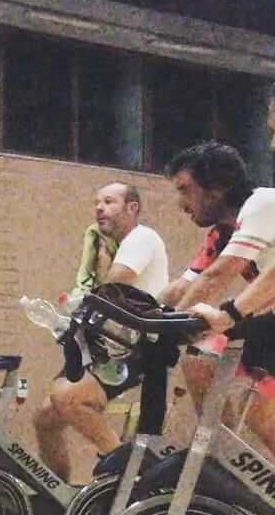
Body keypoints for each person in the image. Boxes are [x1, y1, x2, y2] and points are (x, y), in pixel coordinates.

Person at [33, 182, 169, 483]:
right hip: (104, 344)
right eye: (97, 202)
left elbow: (111, 288)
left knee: (68, 398)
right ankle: (58, 494)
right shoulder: (112, 246)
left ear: (132, 208)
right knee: (45, 420)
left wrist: (100, 264)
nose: (99, 208)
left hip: (134, 347)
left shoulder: (141, 237)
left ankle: (130, 476)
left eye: (109, 202)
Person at [164, 137, 275, 454]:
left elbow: (217, 276)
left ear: (216, 188)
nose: (180, 202)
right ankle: (227, 457)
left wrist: (164, 333)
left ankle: (226, 457)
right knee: (261, 419)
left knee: (204, 352)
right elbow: (185, 287)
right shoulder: (223, 233)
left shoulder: (261, 204)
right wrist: (143, 314)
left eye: (185, 189)